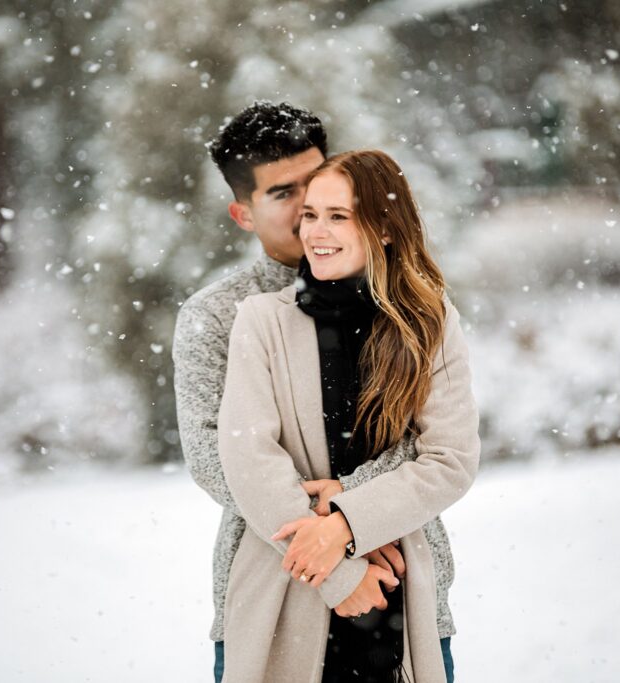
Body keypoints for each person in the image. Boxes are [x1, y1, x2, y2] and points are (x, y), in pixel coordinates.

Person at [173, 102, 463, 682]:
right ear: (243, 213)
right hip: (275, 594)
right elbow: (221, 461)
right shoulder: (219, 316)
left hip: (401, 582)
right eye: (285, 196)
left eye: (320, 187)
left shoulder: (412, 309)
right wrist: (335, 559)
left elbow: (440, 451)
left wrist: (352, 517)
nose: (311, 213)